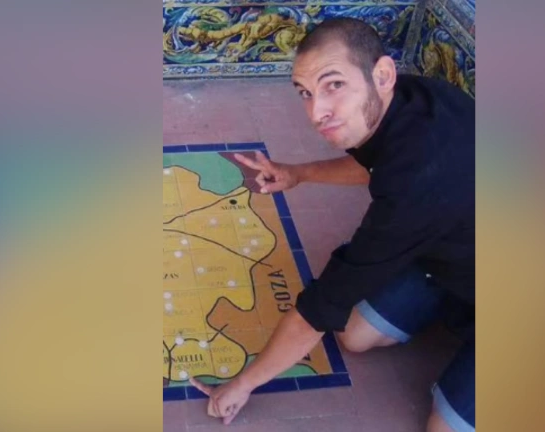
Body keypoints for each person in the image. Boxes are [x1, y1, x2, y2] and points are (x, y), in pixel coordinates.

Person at [189, 17, 476, 432]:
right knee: (354, 336)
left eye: (334, 85)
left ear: (382, 75)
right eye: (305, 93)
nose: (316, 112)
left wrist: (242, 384)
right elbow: (379, 165)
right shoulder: (409, 99)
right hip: (456, 255)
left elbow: (320, 308)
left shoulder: (416, 187)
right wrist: (298, 173)